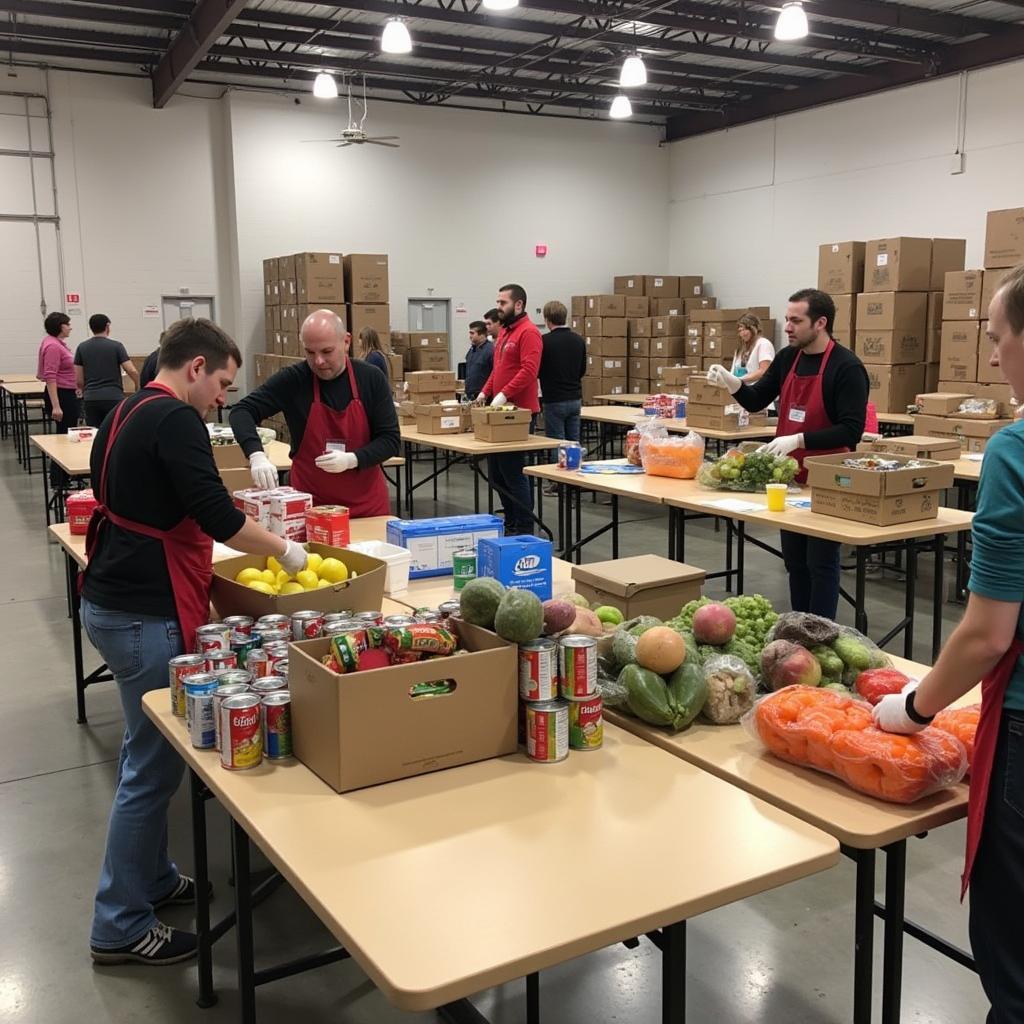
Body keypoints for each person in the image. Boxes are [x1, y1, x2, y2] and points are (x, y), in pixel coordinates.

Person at [81, 317, 308, 966]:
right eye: (223, 384)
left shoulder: (126, 409)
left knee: (142, 750)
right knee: (151, 770)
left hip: (108, 596)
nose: (222, 399)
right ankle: (119, 924)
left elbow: (160, 493)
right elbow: (214, 515)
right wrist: (287, 550)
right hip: (141, 612)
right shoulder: (176, 419)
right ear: (196, 367)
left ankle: (150, 880)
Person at [873, 264, 1024, 1023]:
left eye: (998, 338)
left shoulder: (1016, 450)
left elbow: (989, 633)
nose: (993, 357)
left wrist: (914, 707)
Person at [708, 288, 869, 619]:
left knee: (821, 562)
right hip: (789, 479)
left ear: (820, 323)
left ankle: (821, 632)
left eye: (796, 321)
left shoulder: (846, 366)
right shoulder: (787, 358)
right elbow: (756, 401)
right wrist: (733, 384)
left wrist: (799, 440)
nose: (788, 327)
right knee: (795, 562)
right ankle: (799, 625)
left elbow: (852, 431)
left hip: (828, 480)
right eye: (787, 319)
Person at [230, 309, 399, 516]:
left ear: (346, 342)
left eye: (327, 351)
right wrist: (256, 454)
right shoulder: (294, 380)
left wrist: (352, 459)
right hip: (308, 508)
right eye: (310, 352)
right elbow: (241, 411)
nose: (318, 361)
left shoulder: (370, 378)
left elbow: (390, 440)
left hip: (366, 508)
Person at [474, 284, 542, 535]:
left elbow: (529, 371)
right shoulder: (504, 333)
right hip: (500, 412)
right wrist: (486, 391)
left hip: (519, 414)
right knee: (497, 475)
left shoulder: (529, 332)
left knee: (513, 474)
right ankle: (511, 520)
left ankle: (524, 527)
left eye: (503, 303)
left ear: (519, 305)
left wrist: (504, 394)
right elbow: (498, 369)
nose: (499, 307)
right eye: (498, 302)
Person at [538, 300, 587, 496]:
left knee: (557, 443)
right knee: (574, 442)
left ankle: (557, 483)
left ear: (547, 319)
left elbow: (538, 370)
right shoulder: (578, 340)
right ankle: (574, 480)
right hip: (575, 397)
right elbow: (583, 369)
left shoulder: (544, 341)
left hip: (554, 398)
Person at [36, 311, 81, 487]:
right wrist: (56, 406)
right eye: (68, 324)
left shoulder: (56, 343)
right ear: (60, 326)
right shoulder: (53, 346)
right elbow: (50, 376)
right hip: (60, 395)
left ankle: (62, 476)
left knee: (66, 435)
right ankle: (58, 478)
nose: (70, 327)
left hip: (67, 393)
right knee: (64, 438)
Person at [74, 314, 140, 426]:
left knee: (95, 433)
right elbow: (131, 370)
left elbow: (79, 379)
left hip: (91, 398)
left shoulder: (82, 347)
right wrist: (138, 385)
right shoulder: (116, 346)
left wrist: (84, 390)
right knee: (114, 432)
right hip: (113, 397)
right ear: (107, 326)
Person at [731, 313, 775, 384]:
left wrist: (740, 379)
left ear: (754, 328)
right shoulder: (741, 349)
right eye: (740, 330)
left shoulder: (763, 344)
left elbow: (764, 370)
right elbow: (734, 371)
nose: (742, 333)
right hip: (740, 389)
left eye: (745, 329)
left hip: (756, 390)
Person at [464, 320, 494, 401]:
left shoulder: (490, 351)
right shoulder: (472, 350)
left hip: (484, 396)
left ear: (482, 335)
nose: (470, 336)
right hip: (470, 395)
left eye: (472, 333)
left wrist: (485, 393)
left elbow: (495, 373)